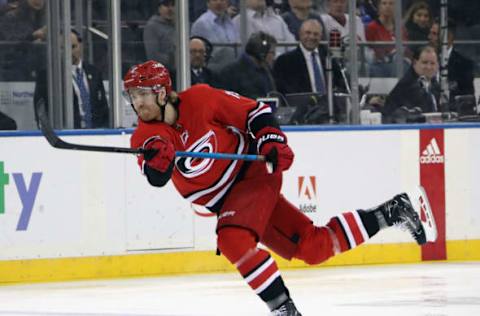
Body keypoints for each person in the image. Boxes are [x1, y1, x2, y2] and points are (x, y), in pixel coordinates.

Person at [124, 59, 437, 315]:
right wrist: (158, 163)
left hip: (254, 174)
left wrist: (271, 139)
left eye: (144, 94)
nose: (138, 103)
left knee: (233, 238)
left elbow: (255, 111)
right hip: (232, 201)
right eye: (133, 95)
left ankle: (284, 312)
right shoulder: (143, 137)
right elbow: (156, 178)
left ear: (163, 92)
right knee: (314, 248)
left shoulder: (201, 99)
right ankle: (393, 211)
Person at [34, 30, 109, 129]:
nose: (69, 52)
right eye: (63, 48)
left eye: (73, 47)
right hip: (67, 134)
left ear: (81, 46)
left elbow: (102, 106)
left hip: (95, 133)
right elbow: (41, 109)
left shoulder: (94, 72)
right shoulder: (48, 76)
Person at [273, 19, 344, 95]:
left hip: (329, 104)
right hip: (300, 105)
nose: (312, 37)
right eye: (308, 33)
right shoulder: (285, 61)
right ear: (300, 34)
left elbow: (341, 84)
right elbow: (283, 91)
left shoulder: (329, 57)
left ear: (321, 37)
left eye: (316, 34)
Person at [383, 45, 440, 123]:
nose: (429, 67)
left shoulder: (435, 85)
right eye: (425, 62)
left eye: (432, 63)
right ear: (415, 63)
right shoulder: (405, 86)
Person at [218, 31, 277, 99]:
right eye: (272, 52)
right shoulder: (232, 72)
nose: (274, 56)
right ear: (262, 53)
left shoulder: (265, 70)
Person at [428, 19, 475, 104]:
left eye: (434, 34)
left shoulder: (464, 65)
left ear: (448, 38)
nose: (429, 37)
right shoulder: (422, 61)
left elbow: (467, 99)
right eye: (431, 33)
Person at [191, 0, 240, 72]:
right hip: (213, 71)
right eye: (214, 0)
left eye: (222, 0)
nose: (219, 3)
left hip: (233, 68)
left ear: (227, 3)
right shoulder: (201, 23)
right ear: (208, 3)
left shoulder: (230, 22)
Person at [365, 0, 407, 77]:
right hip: (378, 66)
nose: (388, 6)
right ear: (379, 7)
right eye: (384, 3)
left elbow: (404, 48)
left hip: (397, 65)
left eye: (391, 3)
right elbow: (367, 50)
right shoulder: (371, 28)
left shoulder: (401, 28)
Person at [143, 0, 176, 73]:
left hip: (179, 70)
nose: (170, 9)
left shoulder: (180, 24)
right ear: (159, 8)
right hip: (161, 72)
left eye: (173, 5)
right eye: (166, 5)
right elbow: (153, 56)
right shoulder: (152, 26)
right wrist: (173, 59)